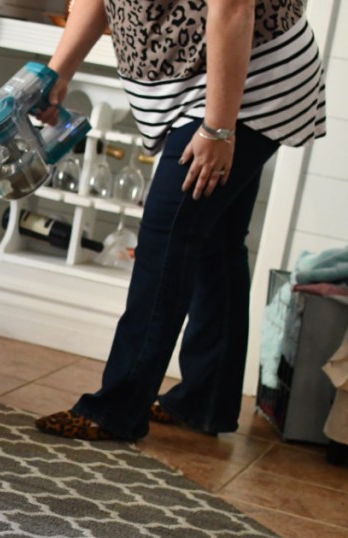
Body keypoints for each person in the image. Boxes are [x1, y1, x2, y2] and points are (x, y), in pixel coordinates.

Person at [34, 0, 327, 441]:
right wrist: (58, 73)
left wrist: (218, 129)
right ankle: (204, 401)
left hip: (246, 86)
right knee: (216, 242)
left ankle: (116, 409)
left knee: (165, 239)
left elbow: (232, 9)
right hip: (205, 88)